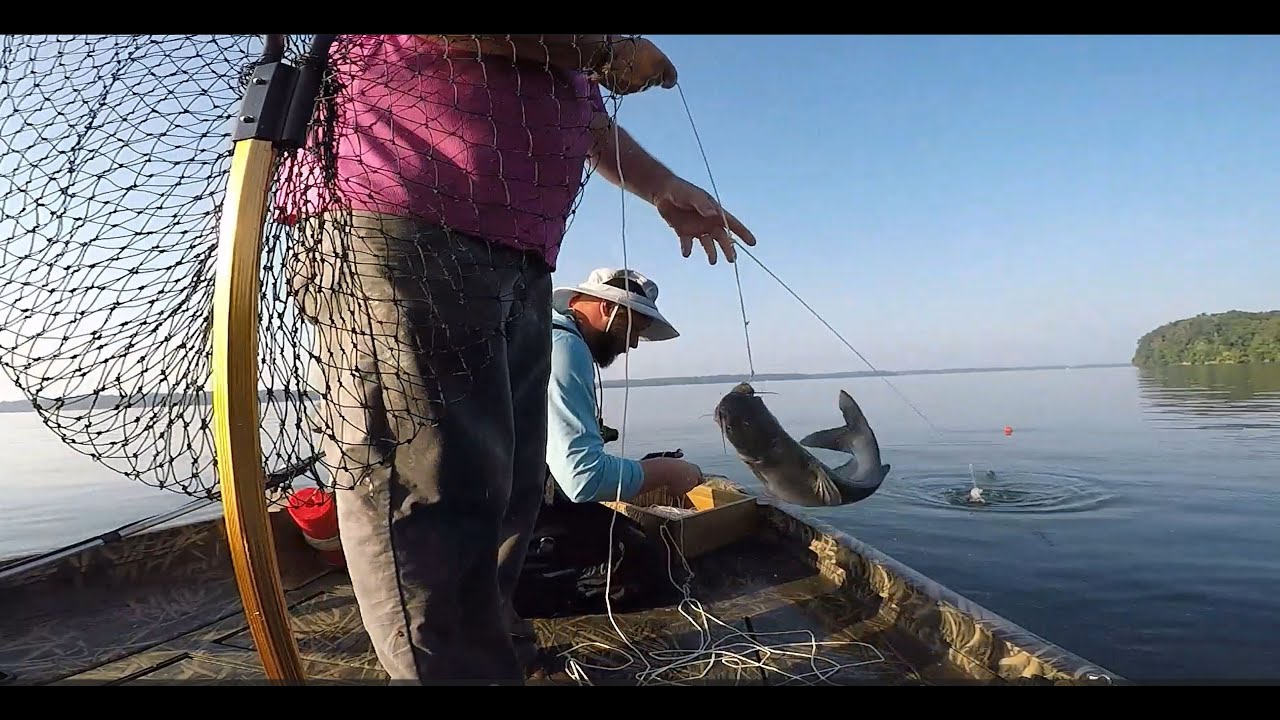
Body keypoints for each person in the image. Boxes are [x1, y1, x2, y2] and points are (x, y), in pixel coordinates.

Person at [280, 34, 757, 686]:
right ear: (608, 310)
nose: (638, 337)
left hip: (519, 253)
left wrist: (662, 184)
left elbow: (586, 119)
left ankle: (503, 657)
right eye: (637, 324)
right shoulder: (574, 348)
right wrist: (605, 49)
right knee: (424, 497)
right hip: (406, 217)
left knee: (510, 488)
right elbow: (584, 475)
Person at [544, 267, 705, 505]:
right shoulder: (566, 347)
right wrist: (670, 470)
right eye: (634, 330)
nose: (633, 344)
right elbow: (584, 479)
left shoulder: (546, 334)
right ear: (607, 307)